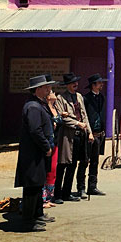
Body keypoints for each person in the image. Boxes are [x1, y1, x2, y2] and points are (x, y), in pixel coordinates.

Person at [14, 74, 56, 232]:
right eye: (46, 87)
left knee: (38, 184)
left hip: (38, 154)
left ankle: (37, 214)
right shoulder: (32, 106)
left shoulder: (39, 104)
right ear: (38, 89)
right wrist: (46, 147)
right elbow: (35, 130)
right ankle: (28, 221)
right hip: (33, 154)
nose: (49, 89)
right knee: (32, 187)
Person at [54, 72, 93, 203]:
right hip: (67, 136)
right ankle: (57, 194)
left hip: (80, 135)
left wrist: (89, 131)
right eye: (73, 83)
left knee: (73, 165)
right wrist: (77, 123)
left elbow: (84, 115)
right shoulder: (61, 98)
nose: (76, 84)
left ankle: (67, 192)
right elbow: (62, 118)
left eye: (76, 82)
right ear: (67, 85)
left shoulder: (79, 97)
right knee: (63, 164)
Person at [76, 73, 108, 197]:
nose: (101, 85)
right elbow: (84, 116)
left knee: (95, 161)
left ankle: (92, 186)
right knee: (84, 161)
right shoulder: (86, 99)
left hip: (99, 134)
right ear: (93, 85)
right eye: (99, 83)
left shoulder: (101, 97)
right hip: (89, 134)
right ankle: (81, 188)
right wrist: (88, 132)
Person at [43, 88, 62, 208]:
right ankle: (43, 198)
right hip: (47, 143)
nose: (55, 94)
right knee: (45, 170)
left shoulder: (55, 109)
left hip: (55, 142)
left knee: (53, 170)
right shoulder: (45, 109)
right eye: (52, 93)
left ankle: (50, 196)